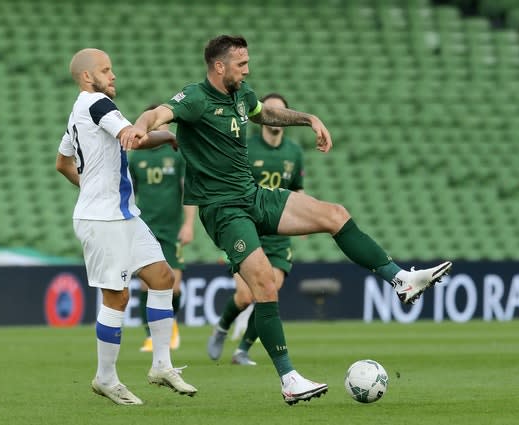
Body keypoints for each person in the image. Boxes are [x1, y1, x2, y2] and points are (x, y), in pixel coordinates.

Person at [120, 35, 452, 405]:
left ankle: (400, 280)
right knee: (263, 282)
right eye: (240, 64)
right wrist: (139, 126)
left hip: (252, 196)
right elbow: (158, 114)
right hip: (223, 210)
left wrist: (309, 119)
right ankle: (289, 378)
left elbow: (267, 113)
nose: (247, 70)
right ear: (219, 66)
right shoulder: (196, 98)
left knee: (335, 215)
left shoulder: (242, 96)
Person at [55, 48, 197, 406]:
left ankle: (162, 365)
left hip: (122, 215)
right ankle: (105, 378)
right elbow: (134, 138)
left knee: (163, 278)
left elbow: (62, 162)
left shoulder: (78, 110)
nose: (113, 75)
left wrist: (90, 189)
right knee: (117, 296)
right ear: (89, 77)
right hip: (103, 220)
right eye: (106, 69)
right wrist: (168, 135)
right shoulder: (98, 103)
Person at [207, 93, 305, 366]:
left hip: (279, 233)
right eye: (272, 110)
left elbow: (297, 188)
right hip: (248, 229)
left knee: (269, 292)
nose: (277, 116)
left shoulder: (294, 152)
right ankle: (223, 326)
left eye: (282, 111)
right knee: (246, 295)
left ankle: (242, 350)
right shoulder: (246, 148)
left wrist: (303, 216)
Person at [128, 105, 197, 353]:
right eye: (159, 123)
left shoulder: (177, 155)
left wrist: (188, 224)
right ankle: (150, 335)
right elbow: (131, 194)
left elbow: (187, 191)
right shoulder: (138, 157)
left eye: (166, 124)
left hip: (171, 228)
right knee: (146, 285)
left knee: (174, 286)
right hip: (145, 227)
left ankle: (171, 325)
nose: (164, 127)